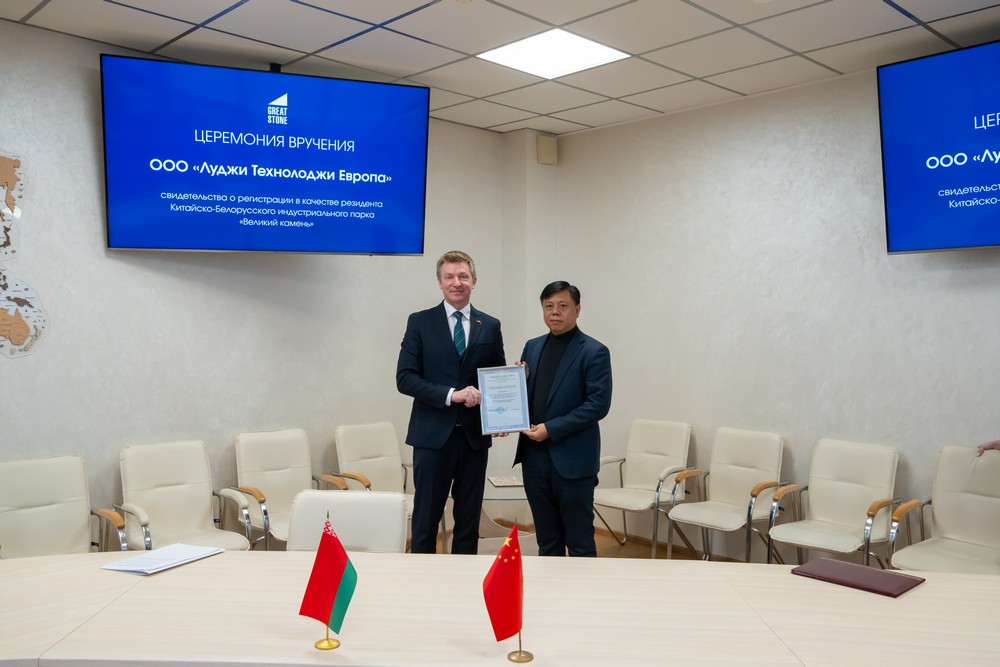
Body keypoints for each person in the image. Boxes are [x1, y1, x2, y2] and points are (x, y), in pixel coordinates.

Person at [396, 250, 506, 554]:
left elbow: (496, 378)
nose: (456, 282)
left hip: (474, 439)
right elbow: (405, 378)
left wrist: (502, 413)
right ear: (440, 282)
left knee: (469, 522)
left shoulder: (490, 325)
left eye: (463, 276)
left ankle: (464, 578)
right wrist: (451, 395)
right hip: (432, 437)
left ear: (474, 281)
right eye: (449, 277)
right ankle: (422, 578)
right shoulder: (420, 322)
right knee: (425, 522)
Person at [514, 281, 612, 557]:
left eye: (563, 306)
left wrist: (551, 429)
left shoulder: (594, 351)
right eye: (549, 306)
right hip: (534, 458)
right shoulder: (532, 347)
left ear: (577, 310)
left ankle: (583, 588)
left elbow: (597, 405)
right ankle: (549, 586)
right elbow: (527, 397)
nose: (555, 312)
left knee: (580, 543)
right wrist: (517, 383)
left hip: (573, 461)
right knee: (547, 540)